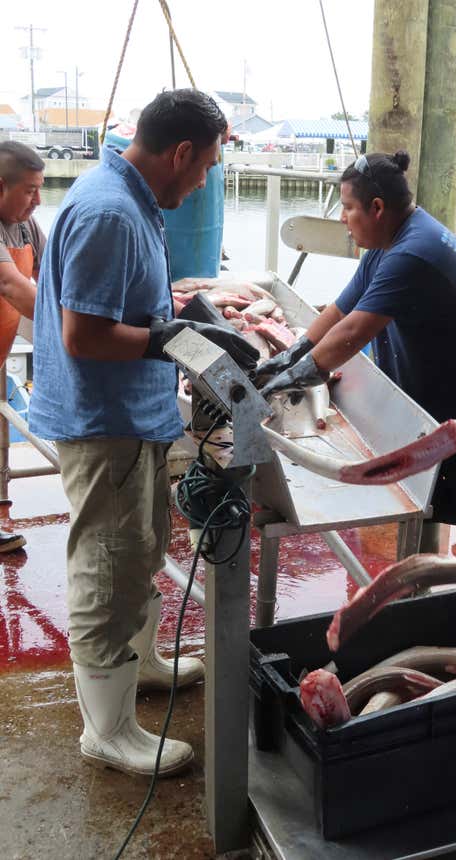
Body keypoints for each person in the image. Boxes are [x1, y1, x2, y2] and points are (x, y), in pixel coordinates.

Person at [29, 89, 259, 777]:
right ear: (181, 152)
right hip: (106, 423)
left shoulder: (130, 200)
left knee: (141, 547)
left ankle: (144, 664)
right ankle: (108, 729)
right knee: (107, 562)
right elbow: (86, 335)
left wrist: (189, 313)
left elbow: (129, 305)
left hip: (137, 414)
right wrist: (174, 340)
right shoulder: (109, 212)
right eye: (206, 166)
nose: (203, 181)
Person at [258, 150, 456, 563]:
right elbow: (337, 313)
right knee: (424, 506)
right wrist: (287, 358)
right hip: (438, 413)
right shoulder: (386, 247)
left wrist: (292, 380)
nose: (342, 219)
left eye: (348, 208)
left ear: (378, 208)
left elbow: (352, 334)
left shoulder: (413, 254)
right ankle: (419, 603)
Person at [0, 141, 46, 554]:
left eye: (41, 188)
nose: (37, 200)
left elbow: (56, 272)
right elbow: (11, 284)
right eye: (29, 190)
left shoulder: (27, 227)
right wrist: (75, 327)